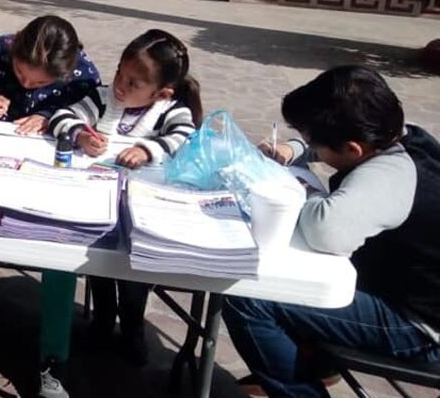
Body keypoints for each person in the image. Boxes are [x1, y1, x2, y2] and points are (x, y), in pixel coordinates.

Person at [226, 66, 440, 397]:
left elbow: (325, 231)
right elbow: (333, 145)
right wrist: (295, 149)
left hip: (421, 330)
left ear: (354, 149)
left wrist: (302, 191)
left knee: (251, 295)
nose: (312, 147)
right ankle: (312, 364)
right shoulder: (397, 136)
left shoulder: (389, 177)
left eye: (314, 141)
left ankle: (300, 389)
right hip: (404, 287)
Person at [0, 16, 101, 398]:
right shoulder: (2, 49)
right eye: (22, 75)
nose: (25, 85)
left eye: (39, 84)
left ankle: (54, 356)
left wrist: (53, 117)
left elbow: (93, 109)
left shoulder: (83, 73)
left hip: (51, 173)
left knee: (59, 251)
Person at [49, 29, 202, 366]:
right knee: (100, 266)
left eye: (134, 83)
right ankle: (103, 321)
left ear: (161, 92)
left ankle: (133, 327)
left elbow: (185, 139)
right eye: (120, 73)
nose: (120, 85)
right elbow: (61, 116)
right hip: (97, 201)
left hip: (143, 210)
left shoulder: (171, 112)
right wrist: (80, 134)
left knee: (133, 275)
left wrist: (148, 149)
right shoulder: (102, 99)